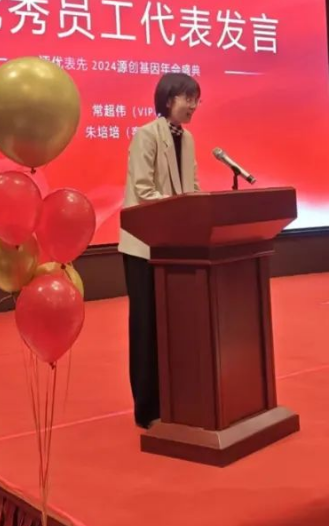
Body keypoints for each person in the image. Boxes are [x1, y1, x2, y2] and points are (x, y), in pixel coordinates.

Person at [118, 73, 202, 429]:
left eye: (197, 99)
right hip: (144, 245)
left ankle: (175, 399)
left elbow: (191, 186)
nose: (194, 106)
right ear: (168, 100)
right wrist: (179, 215)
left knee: (173, 325)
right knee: (146, 325)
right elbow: (142, 191)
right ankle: (147, 408)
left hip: (174, 244)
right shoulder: (146, 135)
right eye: (188, 98)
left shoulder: (188, 138)